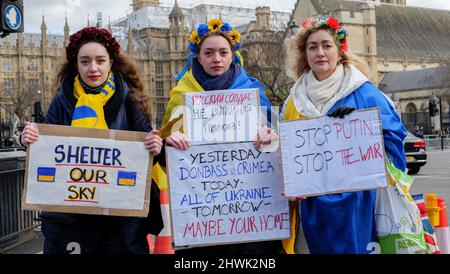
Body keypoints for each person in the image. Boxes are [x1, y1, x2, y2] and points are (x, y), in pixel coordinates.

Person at [21, 27, 164, 254]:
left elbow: (147, 155)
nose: (93, 68)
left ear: (111, 63)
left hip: (119, 220)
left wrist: (156, 147)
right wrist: (29, 138)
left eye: (100, 60)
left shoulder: (130, 99)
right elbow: (45, 145)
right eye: (85, 61)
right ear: (76, 65)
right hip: (73, 220)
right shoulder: (62, 100)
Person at [281, 17, 407, 254]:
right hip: (311, 209)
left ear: (339, 52)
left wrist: (359, 128)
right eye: (313, 47)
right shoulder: (293, 101)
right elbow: (286, 153)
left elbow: (394, 145)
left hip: (358, 207)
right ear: (304, 54)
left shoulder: (365, 93)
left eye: (327, 46)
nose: (320, 52)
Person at [161, 18, 282, 254]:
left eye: (223, 52)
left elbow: (279, 147)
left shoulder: (253, 91)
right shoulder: (180, 96)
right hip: (201, 219)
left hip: (252, 217)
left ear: (233, 55)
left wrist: (272, 136)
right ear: (197, 57)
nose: (216, 59)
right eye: (209, 53)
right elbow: (166, 160)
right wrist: (169, 144)